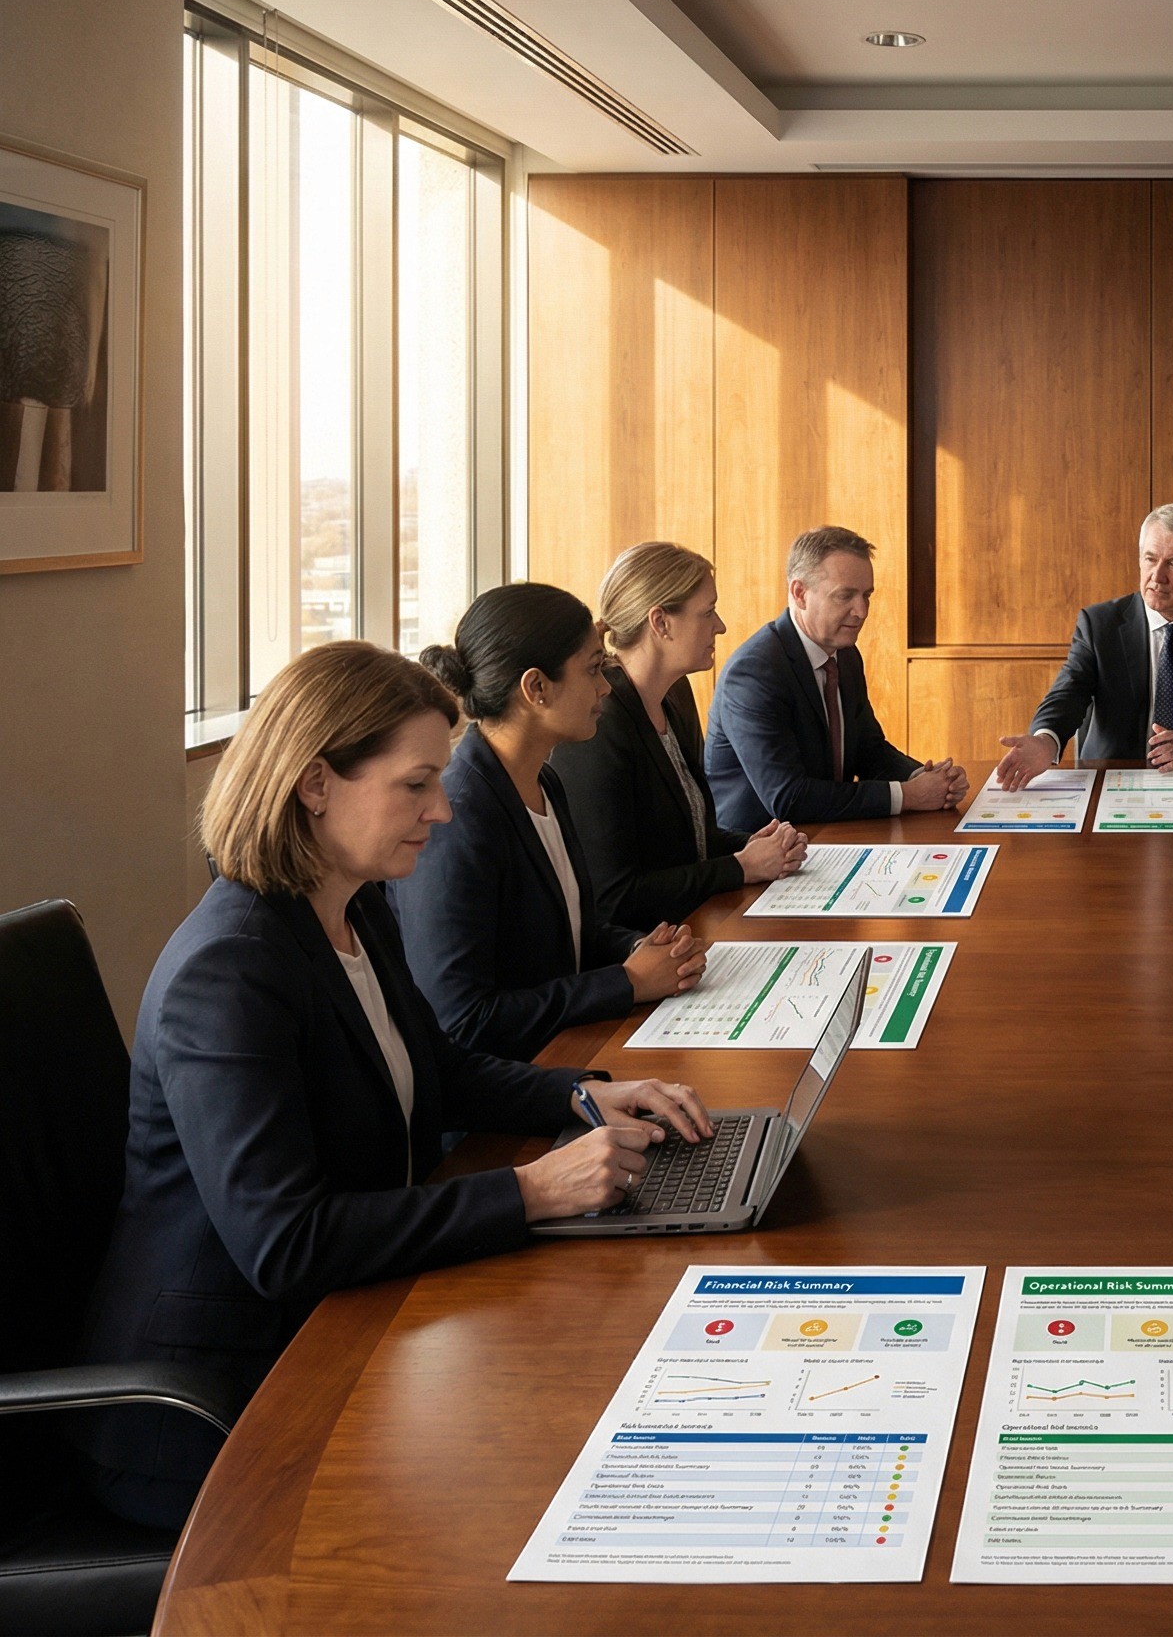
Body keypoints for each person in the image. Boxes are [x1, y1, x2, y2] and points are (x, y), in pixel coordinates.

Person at [78, 641, 714, 1529]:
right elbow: (287, 1244)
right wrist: (533, 1189)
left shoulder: (351, 901)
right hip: (219, 1405)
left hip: (335, 1322)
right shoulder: (227, 972)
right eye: (416, 785)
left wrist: (580, 1096)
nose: (444, 810)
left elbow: (434, 1068)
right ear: (314, 784)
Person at [393, 584, 707, 1060]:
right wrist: (626, 981)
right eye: (593, 670)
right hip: (506, 1103)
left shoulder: (545, 781)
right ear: (535, 688)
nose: (605, 687)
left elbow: (572, 934)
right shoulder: (457, 817)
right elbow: (462, 1019)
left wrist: (644, 947)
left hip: (567, 1053)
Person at [552, 541, 806, 930]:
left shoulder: (676, 692)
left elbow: (691, 842)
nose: (720, 626)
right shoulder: (600, 723)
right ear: (661, 623)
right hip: (643, 953)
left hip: (691, 926)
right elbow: (615, 895)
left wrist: (752, 844)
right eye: (707, 612)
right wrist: (741, 867)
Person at [991, 502, 1173, 786]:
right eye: (1150, 559)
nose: (1157, 576)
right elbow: (1068, 694)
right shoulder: (1100, 624)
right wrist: (1046, 740)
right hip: (1112, 783)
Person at [704, 526, 967, 826]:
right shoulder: (755, 672)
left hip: (824, 838)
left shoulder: (845, 656)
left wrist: (927, 778)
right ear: (799, 593)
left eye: (866, 595)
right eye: (845, 596)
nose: (862, 611)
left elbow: (868, 750)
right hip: (760, 854)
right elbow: (788, 798)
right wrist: (907, 796)